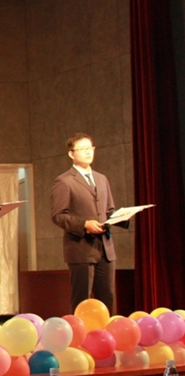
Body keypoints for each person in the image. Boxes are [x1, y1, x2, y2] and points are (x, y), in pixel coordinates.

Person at [51, 133, 124, 314]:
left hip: (105, 248)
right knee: (82, 299)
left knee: (107, 298)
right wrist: (84, 224)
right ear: (71, 154)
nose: (88, 152)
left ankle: (106, 331)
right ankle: (80, 332)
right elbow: (58, 215)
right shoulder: (64, 181)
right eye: (82, 149)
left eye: (90, 148)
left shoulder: (101, 178)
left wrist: (123, 216)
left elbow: (109, 210)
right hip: (81, 248)